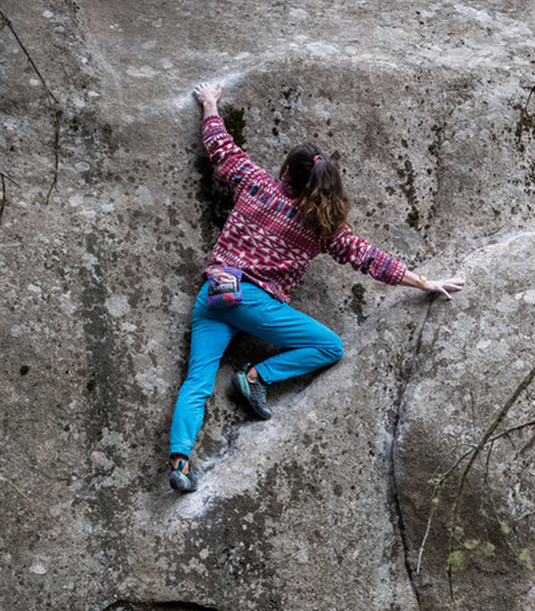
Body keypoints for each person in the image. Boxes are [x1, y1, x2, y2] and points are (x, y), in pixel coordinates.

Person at [167, 82, 464, 493]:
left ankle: (180, 462)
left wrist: (211, 103)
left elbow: (220, 145)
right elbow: (369, 258)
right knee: (329, 346)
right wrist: (424, 282)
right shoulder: (320, 226)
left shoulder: (252, 181)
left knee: (197, 381)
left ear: (286, 171)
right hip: (251, 300)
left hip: (214, 294)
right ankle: (255, 376)